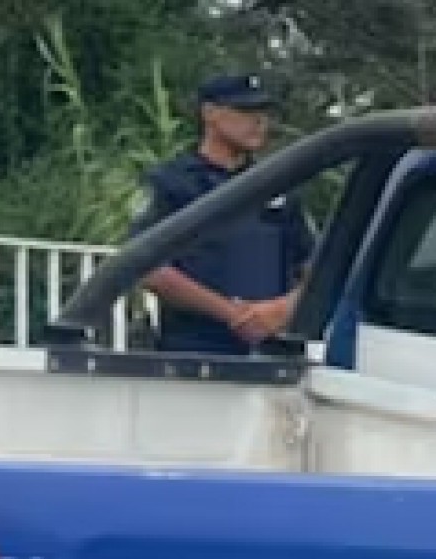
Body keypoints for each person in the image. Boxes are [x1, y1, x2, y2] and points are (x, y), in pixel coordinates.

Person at [129, 73, 316, 355]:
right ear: (210, 114)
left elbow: (314, 265)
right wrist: (233, 315)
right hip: (194, 349)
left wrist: (283, 308)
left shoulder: (277, 184)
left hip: (275, 350)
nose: (259, 122)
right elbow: (147, 267)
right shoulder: (173, 183)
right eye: (245, 111)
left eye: (263, 113)